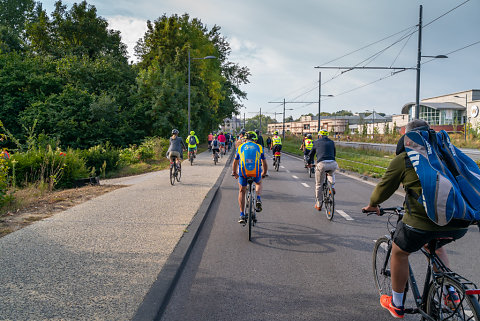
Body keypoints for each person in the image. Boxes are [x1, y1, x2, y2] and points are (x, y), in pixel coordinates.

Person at [362, 119, 470, 319]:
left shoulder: (404, 158)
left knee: (399, 251)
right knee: (436, 246)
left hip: (421, 224)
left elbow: (381, 191)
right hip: (459, 222)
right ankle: (450, 293)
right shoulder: (446, 154)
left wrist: (373, 205)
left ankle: (397, 303)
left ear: (408, 137)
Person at [232, 131, 268, 223]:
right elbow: (264, 163)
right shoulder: (259, 147)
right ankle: (258, 198)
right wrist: (264, 173)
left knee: (241, 191)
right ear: (255, 139)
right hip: (255, 172)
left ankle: (241, 215)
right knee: (259, 183)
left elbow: (235, 162)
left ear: (245, 139)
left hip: (243, 173)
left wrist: (234, 173)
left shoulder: (240, 147)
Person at [308, 130, 337, 211]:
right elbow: (334, 153)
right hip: (333, 163)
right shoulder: (332, 142)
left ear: (319, 135)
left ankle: (319, 204)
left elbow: (311, 155)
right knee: (331, 173)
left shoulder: (316, 142)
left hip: (322, 164)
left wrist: (309, 163)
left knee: (319, 184)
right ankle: (332, 187)